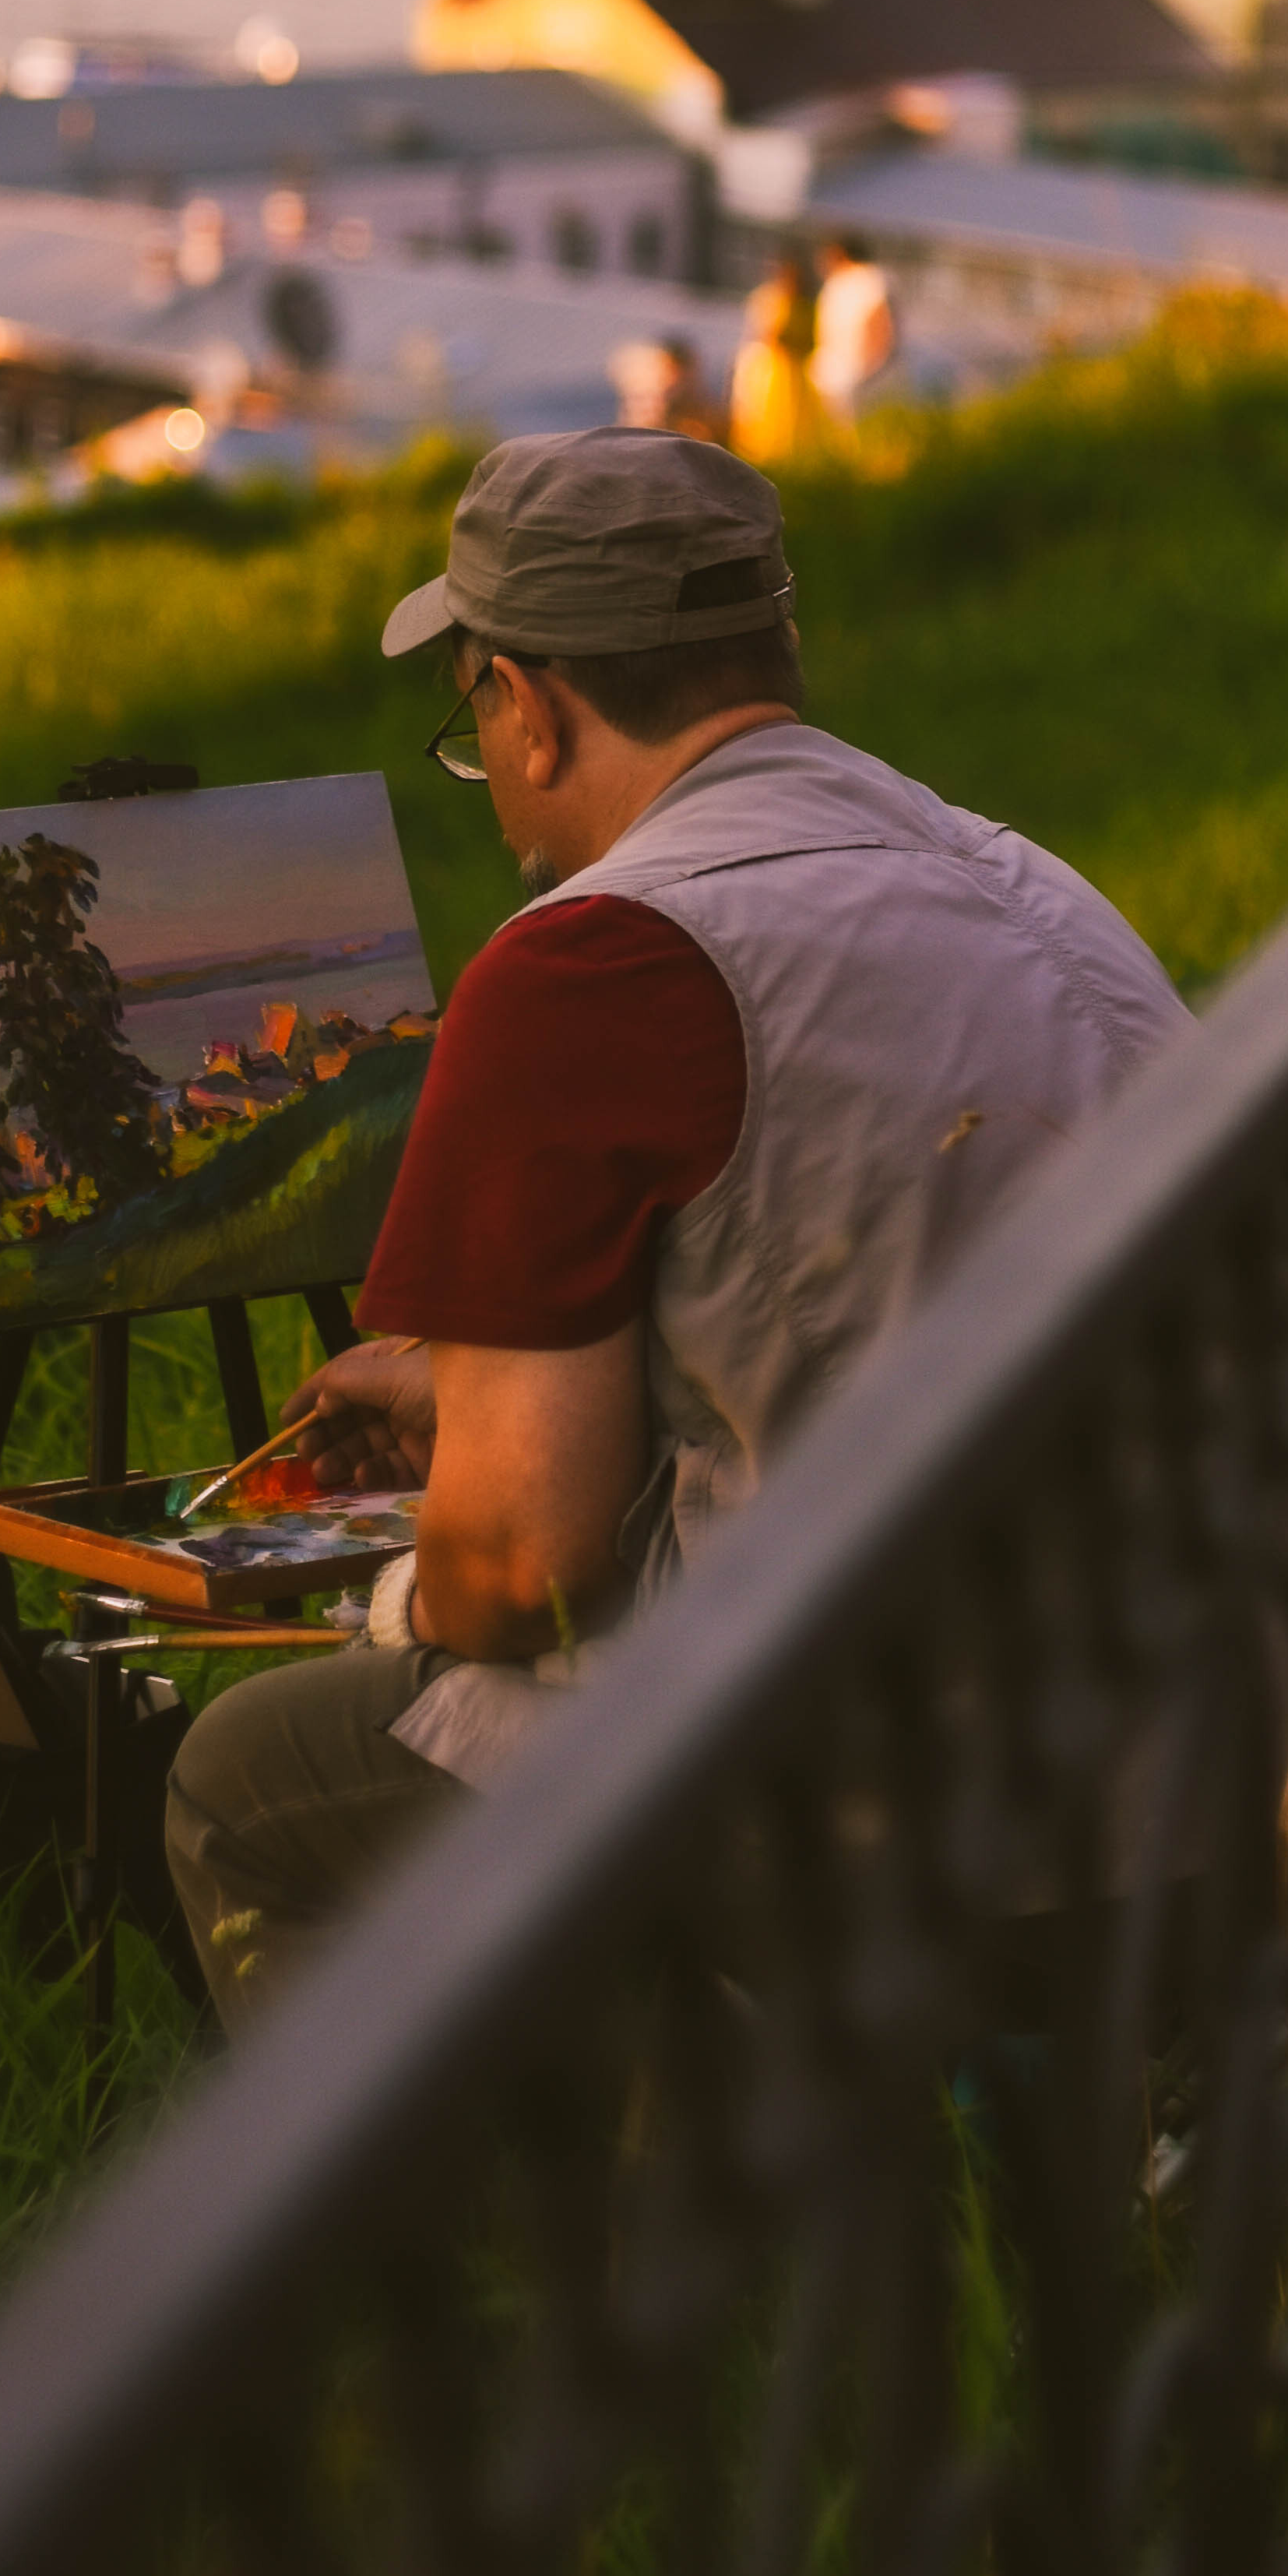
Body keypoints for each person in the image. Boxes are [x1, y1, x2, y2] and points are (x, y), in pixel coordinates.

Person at [161, 428, 1191, 2022]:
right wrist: (469, 1389)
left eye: (474, 716)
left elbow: (519, 1569)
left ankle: (652, 2250)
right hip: (1285, 1727)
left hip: (993, 1814)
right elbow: (891, 1306)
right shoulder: (1021, 879)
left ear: (532, 706)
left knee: (247, 1779)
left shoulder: (595, 962)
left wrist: (395, 1602)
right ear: (765, 654)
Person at [727, 249, 818, 457]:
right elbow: (762, 334)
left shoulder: (805, 307)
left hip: (794, 372)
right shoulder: (768, 299)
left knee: (792, 423)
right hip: (769, 370)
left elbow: (810, 340)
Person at [808, 231, 899, 425]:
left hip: (859, 378)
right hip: (833, 377)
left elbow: (883, 328)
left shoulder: (870, 279)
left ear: (840, 253)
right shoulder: (836, 283)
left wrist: (869, 370)